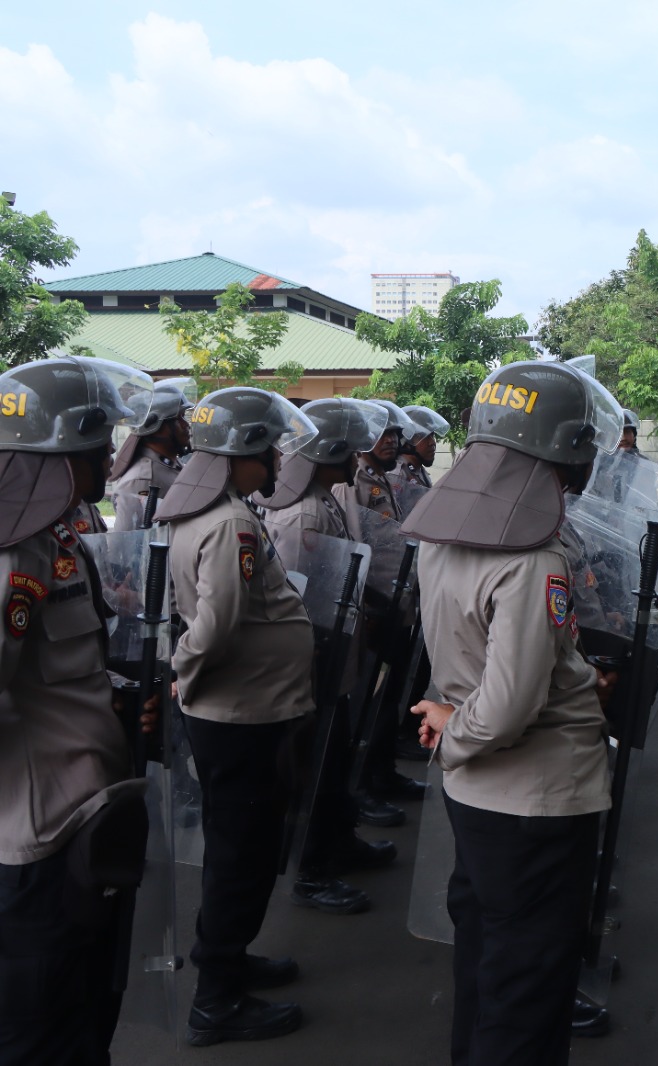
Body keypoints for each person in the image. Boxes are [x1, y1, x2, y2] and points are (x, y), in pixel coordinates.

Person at [405, 359, 621, 1064]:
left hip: (476, 797)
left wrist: (452, 725)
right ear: (566, 449)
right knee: (527, 991)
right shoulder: (536, 560)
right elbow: (507, 708)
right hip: (534, 805)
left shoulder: (442, 539)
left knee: (487, 964)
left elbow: (480, 666)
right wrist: (456, 735)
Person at [0, 355, 157, 1064]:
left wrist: (120, 699)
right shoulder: (13, 558)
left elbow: (59, 673)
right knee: (45, 1028)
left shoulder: (54, 537)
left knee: (84, 1013)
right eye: (101, 443)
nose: (109, 456)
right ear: (67, 452)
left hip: (78, 822)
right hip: (36, 841)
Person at [154, 386, 320, 1047]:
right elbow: (217, 626)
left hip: (244, 709)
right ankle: (217, 999)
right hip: (242, 715)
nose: (277, 458)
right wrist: (184, 677)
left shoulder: (212, 511)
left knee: (240, 848)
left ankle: (227, 958)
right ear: (245, 451)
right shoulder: (230, 524)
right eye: (269, 447)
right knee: (240, 854)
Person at [255, 397, 398, 917]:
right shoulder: (304, 511)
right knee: (313, 768)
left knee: (335, 761)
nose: (358, 457)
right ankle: (312, 871)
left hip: (336, 659)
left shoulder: (326, 496)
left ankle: (340, 841)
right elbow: (297, 598)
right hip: (313, 662)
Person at [335, 400, 427, 827]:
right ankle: (363, 787)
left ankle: (384, 772)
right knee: (366, 701)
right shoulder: (353, 479)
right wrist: (370, 606)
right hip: (373, 604)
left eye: (394, 435)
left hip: (396, 600)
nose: (391, 441)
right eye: (382, 434)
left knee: (389, 698)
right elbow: (356, 548)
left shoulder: (378, 476)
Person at [108, 376, 193, 530]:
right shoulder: (141, 480)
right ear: (155, 426)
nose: (186, 424)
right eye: (179, 418)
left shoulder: (171, 464)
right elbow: (128, 547)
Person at [391, 404, 450, 493]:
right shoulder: (398, 474)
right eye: (424, 437)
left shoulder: (419, 470)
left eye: (432, 435)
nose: (432, 443)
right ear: (406, 442)